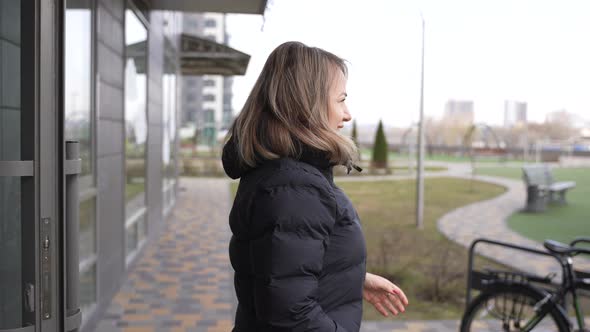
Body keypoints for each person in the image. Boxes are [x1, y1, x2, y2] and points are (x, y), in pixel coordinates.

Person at [222, 41, 408, 332]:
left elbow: (281, 271)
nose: (347, 114)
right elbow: (290, 315)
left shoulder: (286, 176)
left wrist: (351, 279)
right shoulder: (294, 186)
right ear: (306, 104)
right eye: (341, 99)